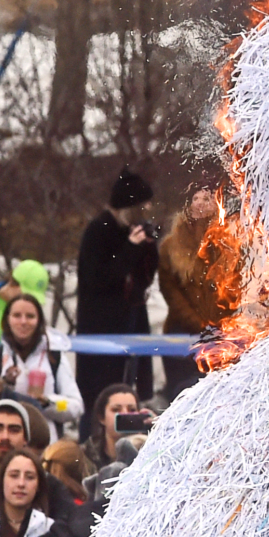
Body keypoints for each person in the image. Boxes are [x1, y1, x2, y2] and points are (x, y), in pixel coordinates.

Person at [77, 166, 160, 401]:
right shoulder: (98, 231)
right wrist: (130, 249)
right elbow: (99, 279)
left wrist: (148, 247)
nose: (148, 211)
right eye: (143, 206)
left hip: (132, 320)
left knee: (134, 397)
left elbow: (146, 276)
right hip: (102, 327)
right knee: (102, 397)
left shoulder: (132, 230)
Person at [156, 183, 233, 401]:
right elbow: (170, 292)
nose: (200, 203)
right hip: (182, 335)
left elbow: (235, 286)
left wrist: (222, 324)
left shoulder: (229, 244)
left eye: (206, 199)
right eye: (195, 199)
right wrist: (199, 324)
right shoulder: (170, 246)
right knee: (183, 394)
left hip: (220, 334)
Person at [0, 291, 83, 433]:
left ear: (39, 320)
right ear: (7, 319)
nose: (23, 322)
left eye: (30, 316)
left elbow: (76, 407)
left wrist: (48, 403)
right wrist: (3, 384)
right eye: (17, 316)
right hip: (7, 442)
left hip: (45, 445)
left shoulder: (54, 356)